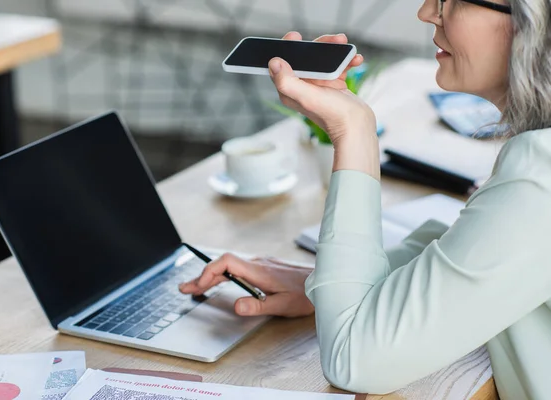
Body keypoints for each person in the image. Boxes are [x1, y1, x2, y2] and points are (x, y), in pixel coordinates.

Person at [180, 0, 551, 398]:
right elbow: (491, 251)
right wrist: (322, 285)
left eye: (450, 0)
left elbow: (355, 358)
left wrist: (353, 131)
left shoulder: (539, 169)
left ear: (536, 22)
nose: (426, 12)